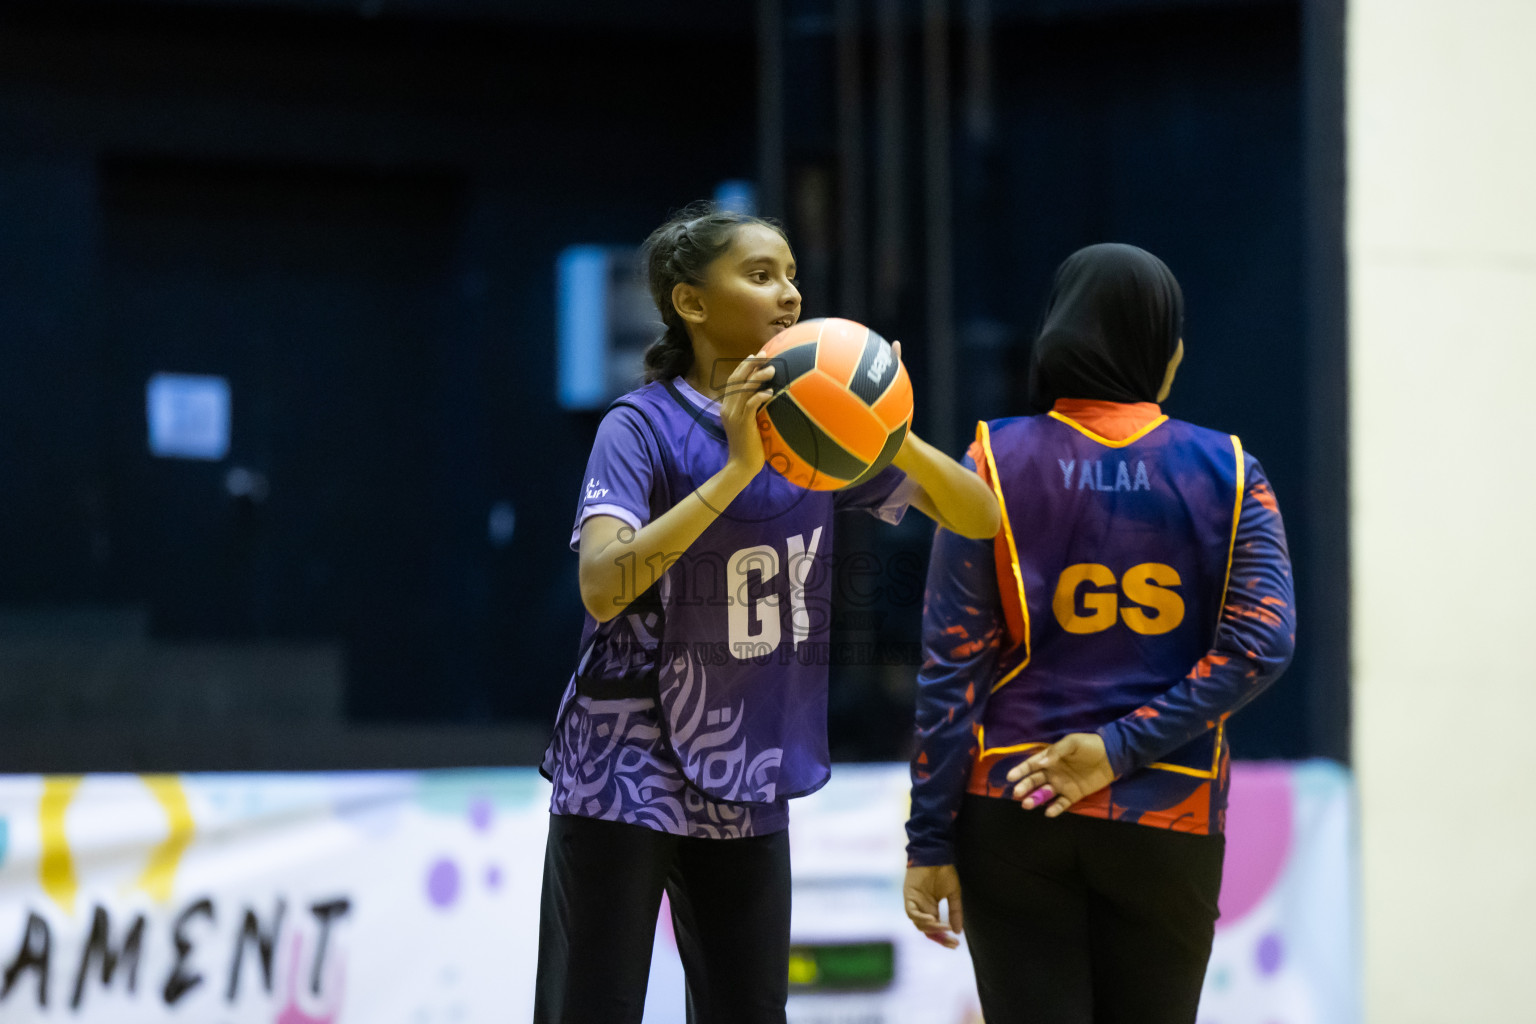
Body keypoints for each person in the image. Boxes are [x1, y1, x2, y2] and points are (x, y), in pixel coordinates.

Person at [536, 201, 1000, 1024]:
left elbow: (978, 517)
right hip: (624, 759)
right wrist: (735, 468)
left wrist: (888, 426)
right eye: (760, 275)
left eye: (791, 275)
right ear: (691, 302)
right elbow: (603, 584)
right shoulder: (638, 426)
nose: (788, 293)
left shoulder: (818, 432)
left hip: (745, 757)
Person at [902, 243, 1296, 1024]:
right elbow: (1261, 645)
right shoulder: (1234, 470)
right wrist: (1117, 750)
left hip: (1015, 799)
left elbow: (951, 667)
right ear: (1164, 350)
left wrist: (929, 842)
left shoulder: (987, 460)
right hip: (1166, 807)